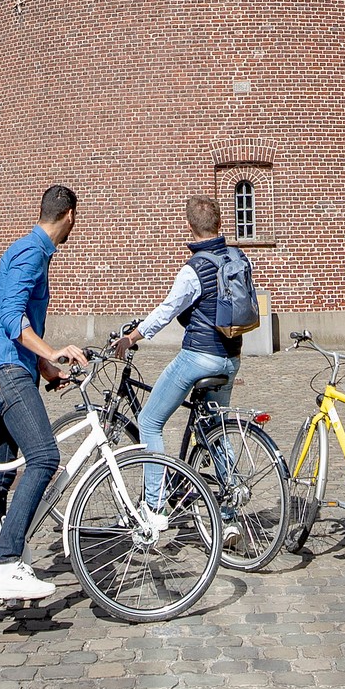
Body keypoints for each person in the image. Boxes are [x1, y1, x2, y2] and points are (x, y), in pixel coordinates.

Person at [0, 184, 90, 603]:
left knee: (0, 478)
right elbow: (9, 316)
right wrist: (52, 350)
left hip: (5, 368)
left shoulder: (31, 250)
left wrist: (45, 366)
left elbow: (15, 320)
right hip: (4, 372)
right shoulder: (32, 251)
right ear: (70, 215)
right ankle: (5, 563)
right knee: (44, 456)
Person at [112, 196, 247, 525]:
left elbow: (167, 310)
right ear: (219, 224)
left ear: (189, 227)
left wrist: (132, 337)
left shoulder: (194, 268)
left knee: (150, 422)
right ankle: (229, 510)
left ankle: (154, 508)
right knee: (215, 428)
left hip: (199, 356)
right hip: (231, 358)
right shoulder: (239, 257)